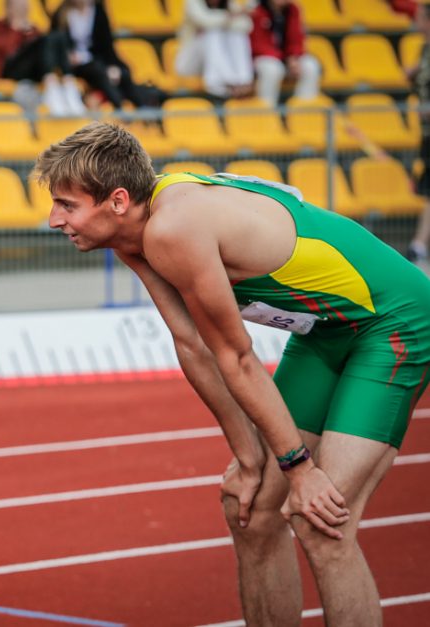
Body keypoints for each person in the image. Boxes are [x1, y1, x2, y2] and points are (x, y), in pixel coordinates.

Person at [33, 121, 430, 625]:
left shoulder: (173, 227)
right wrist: (249, 459)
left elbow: (237, 356)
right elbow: (192, 345)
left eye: (67, 205)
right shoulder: (134, 230)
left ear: (115, 200)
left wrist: (300, 468)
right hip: (326, 332)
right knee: (249, 507)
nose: (53, 220)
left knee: (322, 519)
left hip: (394, 323)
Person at [0, 0, 86, 117]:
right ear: (9, 8)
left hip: (32, 72)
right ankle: (52, 85)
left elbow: (44, 54)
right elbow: (6, 50)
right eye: (18, 6)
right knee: (44, 40)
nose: (22, 10)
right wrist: (17, 30)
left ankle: (67, 83)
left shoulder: (32, 28)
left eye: (24, 7)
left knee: (57, 36)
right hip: (10, 69)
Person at [51, 0, 150, 110]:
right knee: (100, 72)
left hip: (98, 59)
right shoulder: (61, 14)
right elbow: (55, 43)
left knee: (123, 73)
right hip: (77, 65)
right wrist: (67, 56)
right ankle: (119, 107)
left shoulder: (98, 11)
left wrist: (112, 66)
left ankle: (143, 109)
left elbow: (107, 44)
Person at [176, 0, 255, 99]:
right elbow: (205, 21)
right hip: (189, 65)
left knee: (237, 35)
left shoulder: (229, 4)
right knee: (212, 34)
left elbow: (246, 25)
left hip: (214, 66)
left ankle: (243, 80)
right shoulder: (193, 2)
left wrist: (222, 20)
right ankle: (226, 82)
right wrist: (230, 17)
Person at [250, 0, 320, 106]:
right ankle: (267, 111)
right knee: (272, 69)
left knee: (311, 66)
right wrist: (286, 59)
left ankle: (304, 111)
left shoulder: (293, 9)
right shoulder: (256, 10)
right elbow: (258, 44)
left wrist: (293, 57)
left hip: (285, 58)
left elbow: (296, 37)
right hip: (263, 58)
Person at [407, 1, 430, 265]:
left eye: (420, 17)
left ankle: (419, 243)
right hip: (426, 134)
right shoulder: (424, 49)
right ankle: (419, 244)